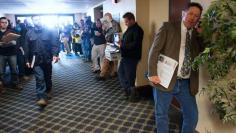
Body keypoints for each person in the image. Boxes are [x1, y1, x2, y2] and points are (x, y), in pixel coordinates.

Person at [148, 2, 204, 133]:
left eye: (196, 16)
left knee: (192, 116)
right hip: (165, 78)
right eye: (190, 13)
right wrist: (152, 73)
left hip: (186, 82)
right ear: (183, 13)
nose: (192, 17)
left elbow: (203, 52)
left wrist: (202, 35)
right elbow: (154, 51)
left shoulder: (196, 34)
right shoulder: (168, 27)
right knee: (161, 114)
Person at [24, 16, 60, 106]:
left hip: (47, 58)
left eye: (39, 19)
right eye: (36, 19)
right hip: (35, 60)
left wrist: (55, 55)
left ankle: (48, 90)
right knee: (39, 78)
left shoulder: (49, 31)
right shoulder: (29, 33)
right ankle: (41, 97)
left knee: (47, 77)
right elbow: (26, 47)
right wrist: (27, 60)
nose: (38, 21)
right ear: (32, 21)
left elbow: (54, 43)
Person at [118, 12, 144, 101]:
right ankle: (129, 91)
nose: (125, 23)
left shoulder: (138, 30)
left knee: (130, 76)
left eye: (126, 21)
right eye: (125, 21)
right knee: (121, 72)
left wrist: (123, 45)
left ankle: (133, 95)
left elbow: (135, 44)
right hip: (125, 56)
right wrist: (121, 42)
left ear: (132, 20)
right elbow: (126, 40)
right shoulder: (129, 29)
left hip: (132, 57)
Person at [96, 12, 122, 80]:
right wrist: (104, 29)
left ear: (109, 17)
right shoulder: (106, 23)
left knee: (109, 60)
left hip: (114, 43)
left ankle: (105, 74)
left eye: (105, 17)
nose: (104, 19)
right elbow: (105, 33)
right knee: (111, 59)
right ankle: (110, 73)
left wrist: (107, 30)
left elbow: (116, 32)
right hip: (109, 43)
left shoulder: (115, 23)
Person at [0, 17, 23, 93]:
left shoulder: (12, 31)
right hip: (1, 54)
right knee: (1, 72)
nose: (4, 24)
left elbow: (17, 40)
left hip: (12, 53)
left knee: (14, 70)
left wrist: (13, 42)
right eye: (2, 22)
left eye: (6, 22)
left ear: (8, 23)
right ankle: (2, 86)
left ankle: (15, 83)